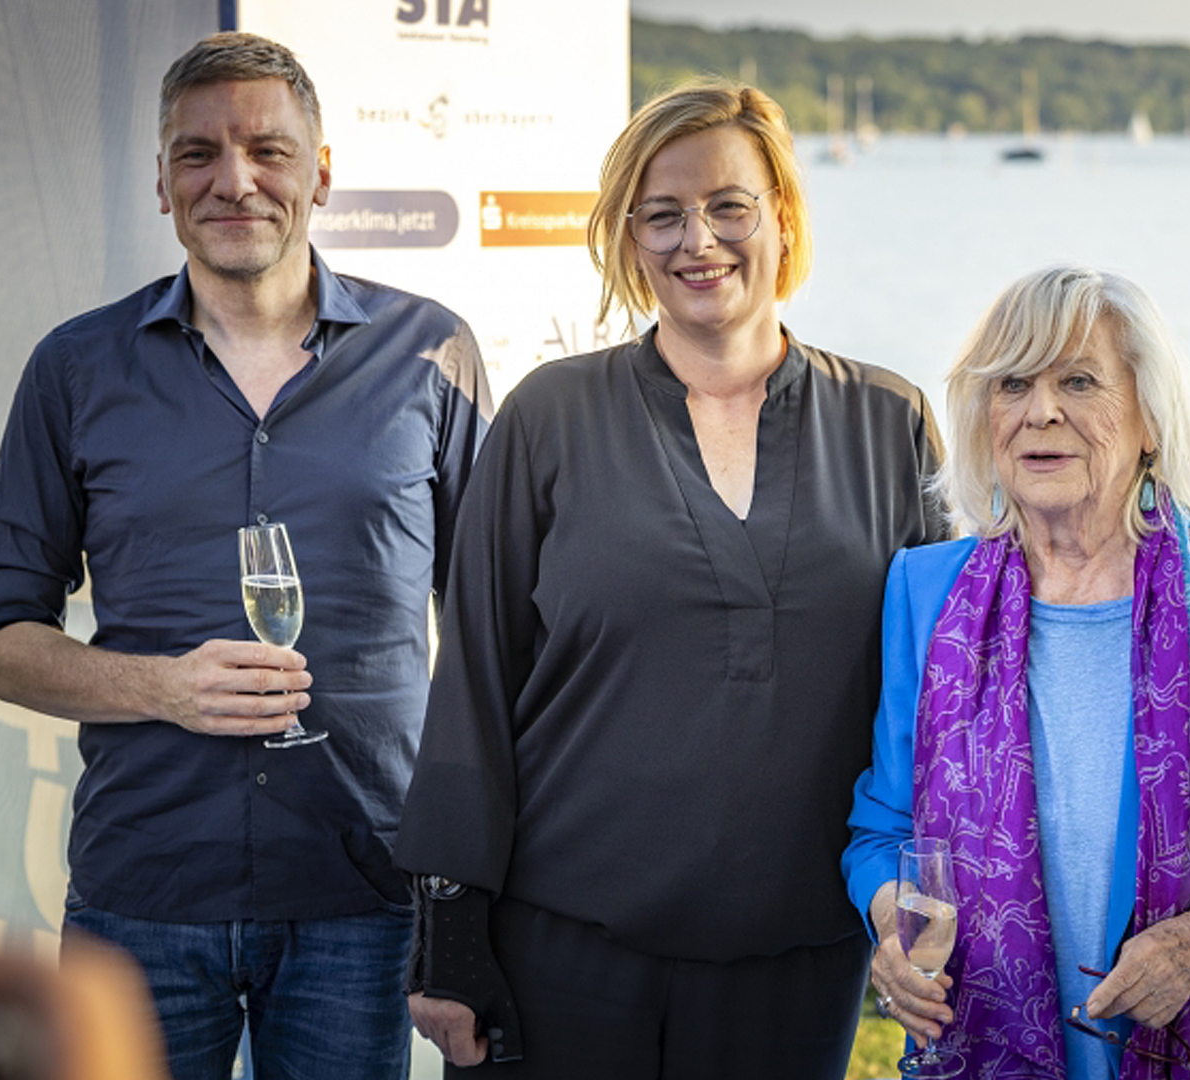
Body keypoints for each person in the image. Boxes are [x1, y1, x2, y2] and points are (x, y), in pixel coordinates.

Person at [392, 80, 948, 1078]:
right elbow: (473, 672)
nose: (699, 240)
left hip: (800, 959)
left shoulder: (890, 424)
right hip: (562, 949)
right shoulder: (549, 416)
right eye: (663, 213)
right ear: (628, 237)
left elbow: (940, 698)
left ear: (780, 214)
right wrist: (450, 934)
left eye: (728, 204)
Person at [0, 31, 492, 1080]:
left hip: (364, 893)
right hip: (144, 896)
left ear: (322, 174)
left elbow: (495, 635)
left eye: (267, 149)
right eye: (198, 153)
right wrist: (161, 688)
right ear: (164, 184)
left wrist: (478, 892)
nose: (235, 180)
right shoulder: (75, 368)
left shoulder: (432, 353)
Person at [845, 266, 1190, 1079]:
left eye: (1079, 380)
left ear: (1150, 420)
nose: (1041, 411)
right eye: (1014, 383)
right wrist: (895, 928)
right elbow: (883, 831)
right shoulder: (924, 594)